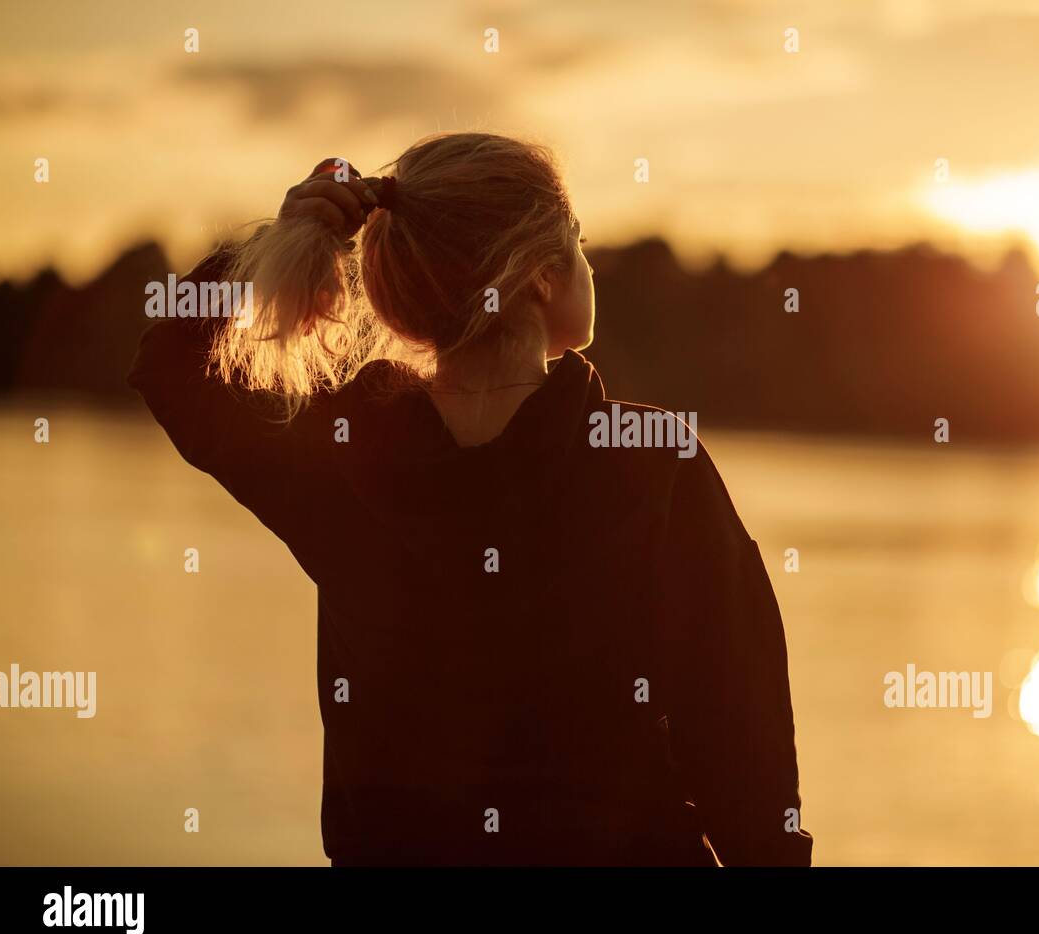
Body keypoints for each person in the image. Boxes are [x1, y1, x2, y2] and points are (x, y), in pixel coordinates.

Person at [128, 132, 811, 866]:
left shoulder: (347, 452)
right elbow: (745, 753)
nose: (588, 263)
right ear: (542, 278)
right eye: (577, 243)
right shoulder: (648, 460)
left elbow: (172, 370)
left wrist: (284, 234)